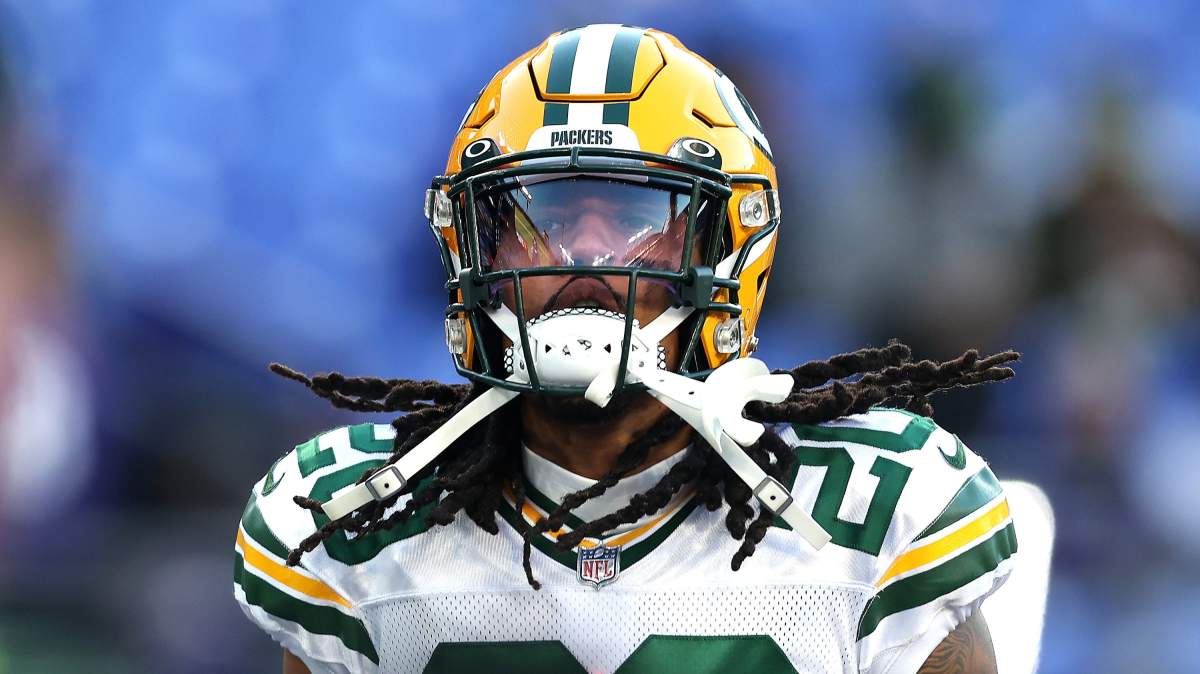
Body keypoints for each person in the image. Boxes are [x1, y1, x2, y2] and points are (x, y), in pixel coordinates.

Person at [234, 25, 1019, 674]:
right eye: (541, 218)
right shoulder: (361, 521)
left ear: (729, 247)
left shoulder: (871, 514)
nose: (584, 254)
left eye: (639, 216)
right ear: (474, 249)